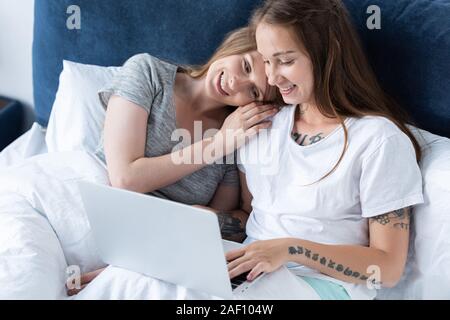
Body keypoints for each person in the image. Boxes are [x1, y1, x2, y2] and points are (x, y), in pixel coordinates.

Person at [225, 0, 424, 300]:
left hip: (322, 286)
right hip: (251, 273)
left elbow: (388, 267)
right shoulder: (262, 125)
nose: (272, 78)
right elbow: (250, 211)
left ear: (328, 53)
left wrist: (291, 249)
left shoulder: (378, 140)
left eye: (285, 60)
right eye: (267, 61)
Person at [67, 27, 281, 296]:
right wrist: (215, 145)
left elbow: (215, 228)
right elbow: (125, 178)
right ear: (235, 45)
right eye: (246, 65)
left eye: (252, 92)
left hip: (155, 256)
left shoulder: (234, 137)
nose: (235, 83)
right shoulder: (148, 73)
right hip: (91, 215)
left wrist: (140, 265)